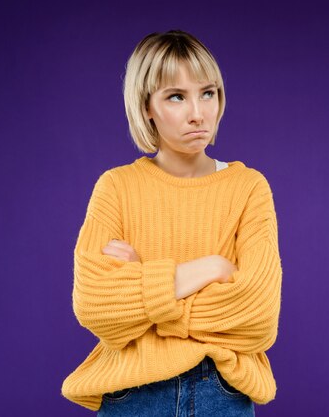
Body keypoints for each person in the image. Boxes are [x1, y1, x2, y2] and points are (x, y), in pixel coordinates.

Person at [61, 30, 283, 416]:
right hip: (133, 394)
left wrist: (142, 283)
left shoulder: (248, 187)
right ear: (147, 106)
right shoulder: (117, 187)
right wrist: (212, 268)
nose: (198, 113)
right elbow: (94, 304)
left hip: (222, 392)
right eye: (176, 96)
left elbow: (258, 315)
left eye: (208, 93)